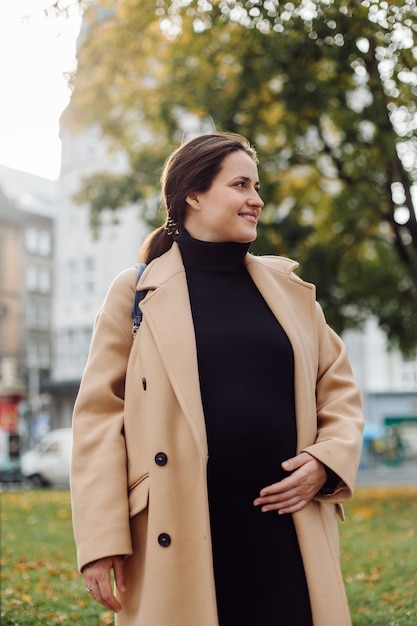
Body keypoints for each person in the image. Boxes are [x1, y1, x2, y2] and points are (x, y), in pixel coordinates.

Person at [71, 132, 364, 626]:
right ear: (194, 194)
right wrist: (101, 540)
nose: (257, 199)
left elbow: (339, 390)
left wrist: (325, 462)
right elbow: (99, 418)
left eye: (257, 186)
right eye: (241, 184)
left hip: (287, 528)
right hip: (179, 527)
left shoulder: (291, 292)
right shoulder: (137, 291)